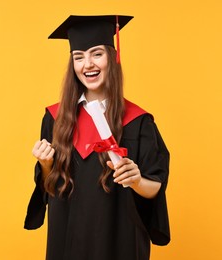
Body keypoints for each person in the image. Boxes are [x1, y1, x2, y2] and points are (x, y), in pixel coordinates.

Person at [24, 15, 170, 260]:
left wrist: (136, 180)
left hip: (119, 239)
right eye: (78, 57)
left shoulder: (138, 122)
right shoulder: (55, 118)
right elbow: (51, 186)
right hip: (67, 238)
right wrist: (46, 165)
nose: (87, 64)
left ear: (112, 58)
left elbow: (156, 186)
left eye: (97, 54)